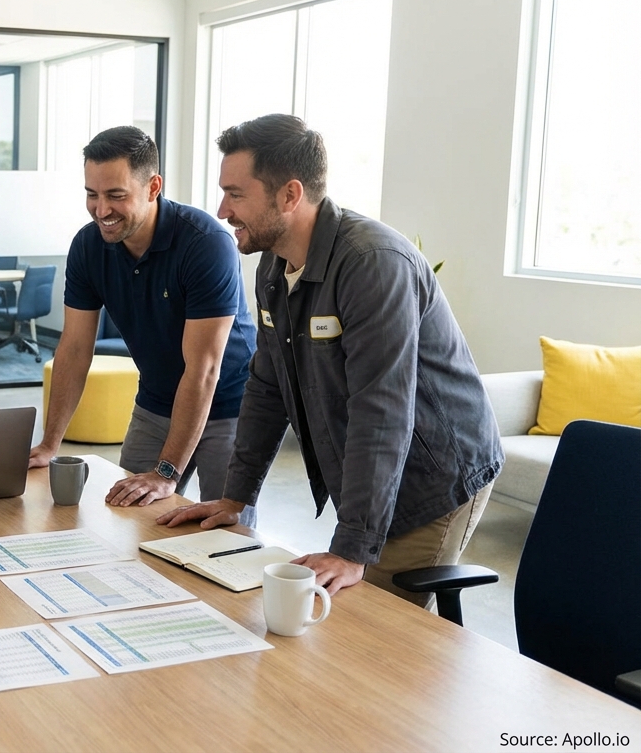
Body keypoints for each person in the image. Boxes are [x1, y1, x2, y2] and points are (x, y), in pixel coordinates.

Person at [158, 114, 503, 606]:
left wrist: (353, 546)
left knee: (379, 631)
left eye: (236, 194)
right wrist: (237, 497)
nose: (222, 209)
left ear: (290, 195)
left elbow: (380, 409)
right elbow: (267, 385)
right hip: (377, 468)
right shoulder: (274, 266)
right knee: (350, 613)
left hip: (432, 476)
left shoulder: (374, 264)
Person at [28, 126, 258, 522]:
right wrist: (50, 444)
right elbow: (75, 348)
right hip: (154, 402)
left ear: (153, 187)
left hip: (228, 407)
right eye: (92, 194)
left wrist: (167, 472)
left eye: (116, 195)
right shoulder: (88, 246)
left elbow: (203, 370)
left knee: (222, 535)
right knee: (129, 520)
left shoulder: (205, 244)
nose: (102, 210)